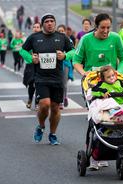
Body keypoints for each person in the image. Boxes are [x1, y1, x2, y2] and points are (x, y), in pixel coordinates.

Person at [73, 13, 123, 170]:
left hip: (113, 82)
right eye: (102, 27)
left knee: (116, 114)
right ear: (95, 26)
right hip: (93, 83)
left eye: (108, 27)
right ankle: (95, 155)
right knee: (98, 117)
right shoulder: (86, 39)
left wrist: (119, 73)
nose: (105, 31)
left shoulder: (115, 38)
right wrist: (84, 74)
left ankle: (111, 147)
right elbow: (76, 61)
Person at [20, 13, 74, 145]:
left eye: (52, 21)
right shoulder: (34, 37)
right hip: (41, 77)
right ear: (43, 24)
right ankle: (41, 126)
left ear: (55, 23)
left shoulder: (62, 37)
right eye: (47, 21)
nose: (50, 23)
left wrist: (65, 55)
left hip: (57, 78)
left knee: (55, 108)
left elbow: (74, 51)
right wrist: (31, 58)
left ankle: (53, 134)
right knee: (44, 105)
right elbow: (22, 51)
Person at [22, 22, 41, 109]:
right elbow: (22, 51)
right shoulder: (30, 39)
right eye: (34, 27)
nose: (36, 28)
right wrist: (31, 57)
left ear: (41, 28)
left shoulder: (44, 38)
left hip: (41, 65)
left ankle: (37, 103)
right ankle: (30, 99)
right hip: (30, 65)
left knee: (38, 84)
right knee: (31, 83)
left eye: (38, 27)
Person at [57, 24, 74, 109]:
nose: (61, 33)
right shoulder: (54, 40)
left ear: (65, 32)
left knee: (64, 83)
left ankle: (63, 99)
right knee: (57, 83)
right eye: (59, 31)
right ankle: (58, 99)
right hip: (56, 64)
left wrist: (65, 55)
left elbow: (73, 52)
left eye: (62, 31)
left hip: (66, 64)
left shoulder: (68, 40)